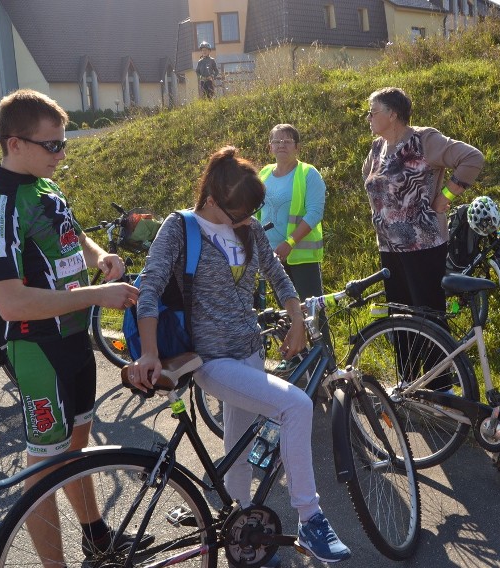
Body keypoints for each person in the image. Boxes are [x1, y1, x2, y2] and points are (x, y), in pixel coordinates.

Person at [127, 146, 352, 565]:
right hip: (212, 360)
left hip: (250, 350)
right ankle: (311, 516)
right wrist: (151, 353)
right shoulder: (181, 227)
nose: (249, 221)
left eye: (252, 212)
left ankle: (239, 528)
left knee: (238, 444)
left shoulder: (247, 231)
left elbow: (277, 275)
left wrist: (298, 320)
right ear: (212, 201)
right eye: (241, 214)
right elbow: (150, 289)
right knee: (297, 406)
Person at [0, 89, 147, 562]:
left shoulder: (44, 184)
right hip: (36, 345)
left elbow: (70, 232)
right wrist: (97, 295)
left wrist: (99, 256)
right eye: (53, 145)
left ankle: (97, 537)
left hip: (73, 338)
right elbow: (9, 303)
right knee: (44, 468)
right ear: (15, 144)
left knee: (78, 446)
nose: (62, 154)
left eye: (64, 143)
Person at [362, 86, 484, 316]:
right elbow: (369, 179)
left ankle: (442, 354)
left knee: (428, 317)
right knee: (400, 317)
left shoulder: (424, 140)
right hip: (389, 248)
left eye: (373, 112)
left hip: (423, 246)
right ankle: (407, 355)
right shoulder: (378, 147)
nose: (368, 117)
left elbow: (472, 157)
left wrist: (444, 197)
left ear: (392, 114)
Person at [258, 124, 331, 362]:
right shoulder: (264, 174)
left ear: (297, 147)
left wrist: (290, 242)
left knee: (311, 314)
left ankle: (324, 363)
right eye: (276, 141)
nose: (281, 145)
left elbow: (314, 213)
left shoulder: (308, 174)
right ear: (270, 147)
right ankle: (297, 361)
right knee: (287, 312)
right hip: (272, 257)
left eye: (287, 141)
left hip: (301, 257)